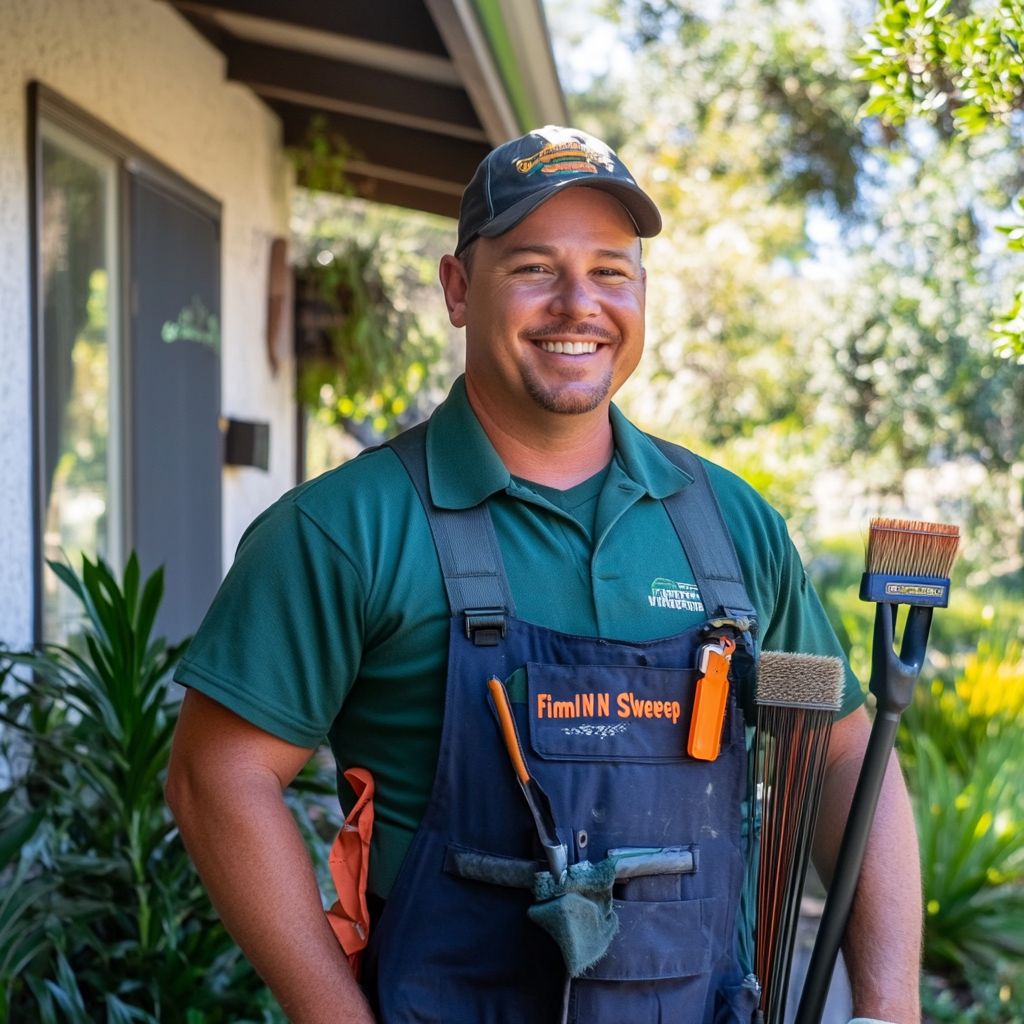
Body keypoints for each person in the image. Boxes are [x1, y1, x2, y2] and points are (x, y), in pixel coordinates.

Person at [166, 125, 921, 1024]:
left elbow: (835, 751)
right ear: (458, 288)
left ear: (641, 293)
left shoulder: (733, 531)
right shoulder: (343, 530)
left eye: (611, 269)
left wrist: (887, 1003)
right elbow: (218, 779)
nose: (579, 303)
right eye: (533, 266)